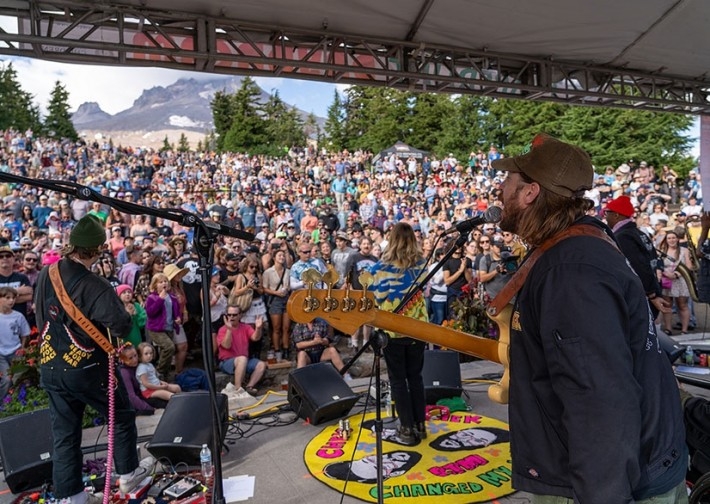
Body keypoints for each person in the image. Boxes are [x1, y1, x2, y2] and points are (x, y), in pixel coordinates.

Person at [492, 133, 687, 502]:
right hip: (636, 466)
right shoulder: (582, 245)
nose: (499, 190)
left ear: (530, 193)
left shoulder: (570, 271)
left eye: (508, 181)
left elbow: (599, 399)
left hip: (609, 482)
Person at [35, 214, 153, 503]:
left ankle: (72, 495)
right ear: (98, 249)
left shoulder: (45, 274)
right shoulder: (95, 284)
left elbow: (40, 316)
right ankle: (127, 475)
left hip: (51, 365)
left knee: (65, 434)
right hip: (87, 368)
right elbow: (122, 325)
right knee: (122, 416)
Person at [369, 222, 428, 446]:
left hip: (392, 331)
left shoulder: (378, 269)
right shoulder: (421, 265)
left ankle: (405, 429)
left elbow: (375, 299)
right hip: (419, 328)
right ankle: (420, 425)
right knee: (416, 377)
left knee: (398, 380)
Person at [604, 195, 669, 319]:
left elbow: (639, 266)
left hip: (640, 297)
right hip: (648, 292)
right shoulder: (639, 233)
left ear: (616, 215)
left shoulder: (623, 237)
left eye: (607, 212)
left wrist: (652, 295)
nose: (605, 217)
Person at [216, 305, 265, 397]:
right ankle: (238, 390)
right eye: (229, 315)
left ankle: (249, 387)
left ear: (240, 316)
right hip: (227, 362)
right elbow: (226, 345)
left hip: (243, 360)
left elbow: (255, 338)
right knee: (242, 359)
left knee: (261, 364)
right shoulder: (222, 330)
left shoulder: (245, 327)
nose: (231, 317)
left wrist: (258, 328)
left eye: (234, 315)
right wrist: (229, 330)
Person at [144, 273, 179, 379]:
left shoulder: (172, 297)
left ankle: (165, 376)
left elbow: (175, 310)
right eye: (161, 282)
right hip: (156, 329)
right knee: (169, 347)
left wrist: (177, 317)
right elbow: (150, 313)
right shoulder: (152, 298)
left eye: (165, 281)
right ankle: (159, 370)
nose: (164, 283)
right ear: (155, 285)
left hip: (168, 327)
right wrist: (160, 299)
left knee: (165, 351)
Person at [0, 286, 30, 400]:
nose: (11, 301)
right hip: (1, 354)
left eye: (13, 298)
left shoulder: (18, 316)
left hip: (15, 351)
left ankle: (17, 402)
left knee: (19, 378)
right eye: (7, 298)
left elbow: (25, 334)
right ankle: (2, 403)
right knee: (7, 379)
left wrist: (22, 349)